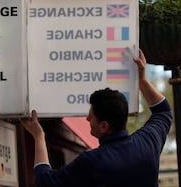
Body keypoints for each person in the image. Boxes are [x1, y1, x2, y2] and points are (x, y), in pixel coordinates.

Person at [20, 50, 173, 187]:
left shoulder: (92, 161)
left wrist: (38, 136)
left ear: (104, 126)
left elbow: (45, 182)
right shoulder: (147, 143)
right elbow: (163, 111)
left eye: (91, 116)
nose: (87, 119)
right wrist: (142, 80)